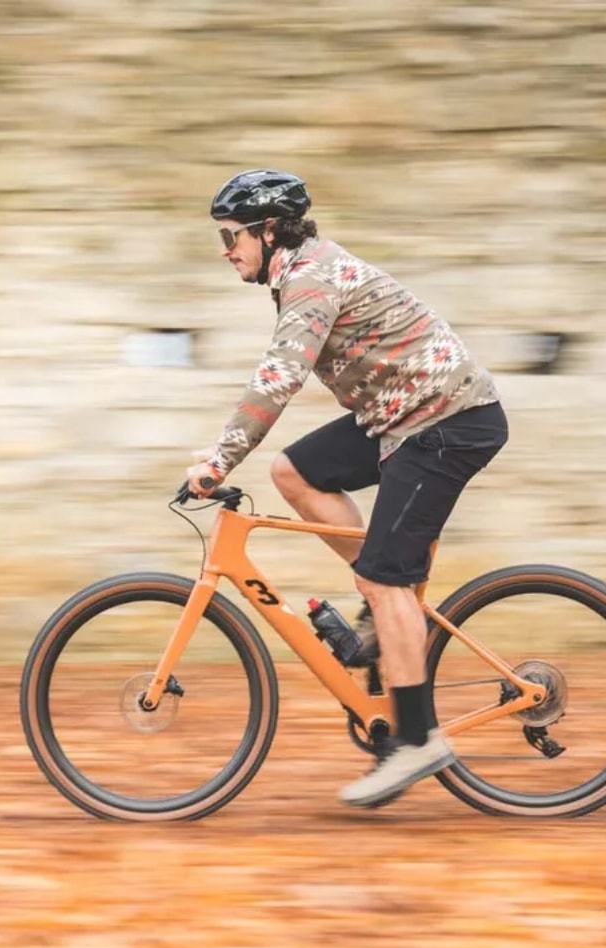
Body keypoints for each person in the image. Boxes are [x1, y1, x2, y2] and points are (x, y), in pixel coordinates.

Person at [184, 168, 508, 809]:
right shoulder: (298, 272)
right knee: (293, 473)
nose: (226, 251)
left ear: (268, 231)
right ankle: (384, 607)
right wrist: (224, 454)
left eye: (230, 237)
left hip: (446, 421)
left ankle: (416, 739)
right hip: (401, 415)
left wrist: (219, 461)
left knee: (387, 580)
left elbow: (278, 379)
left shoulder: (309, 280)